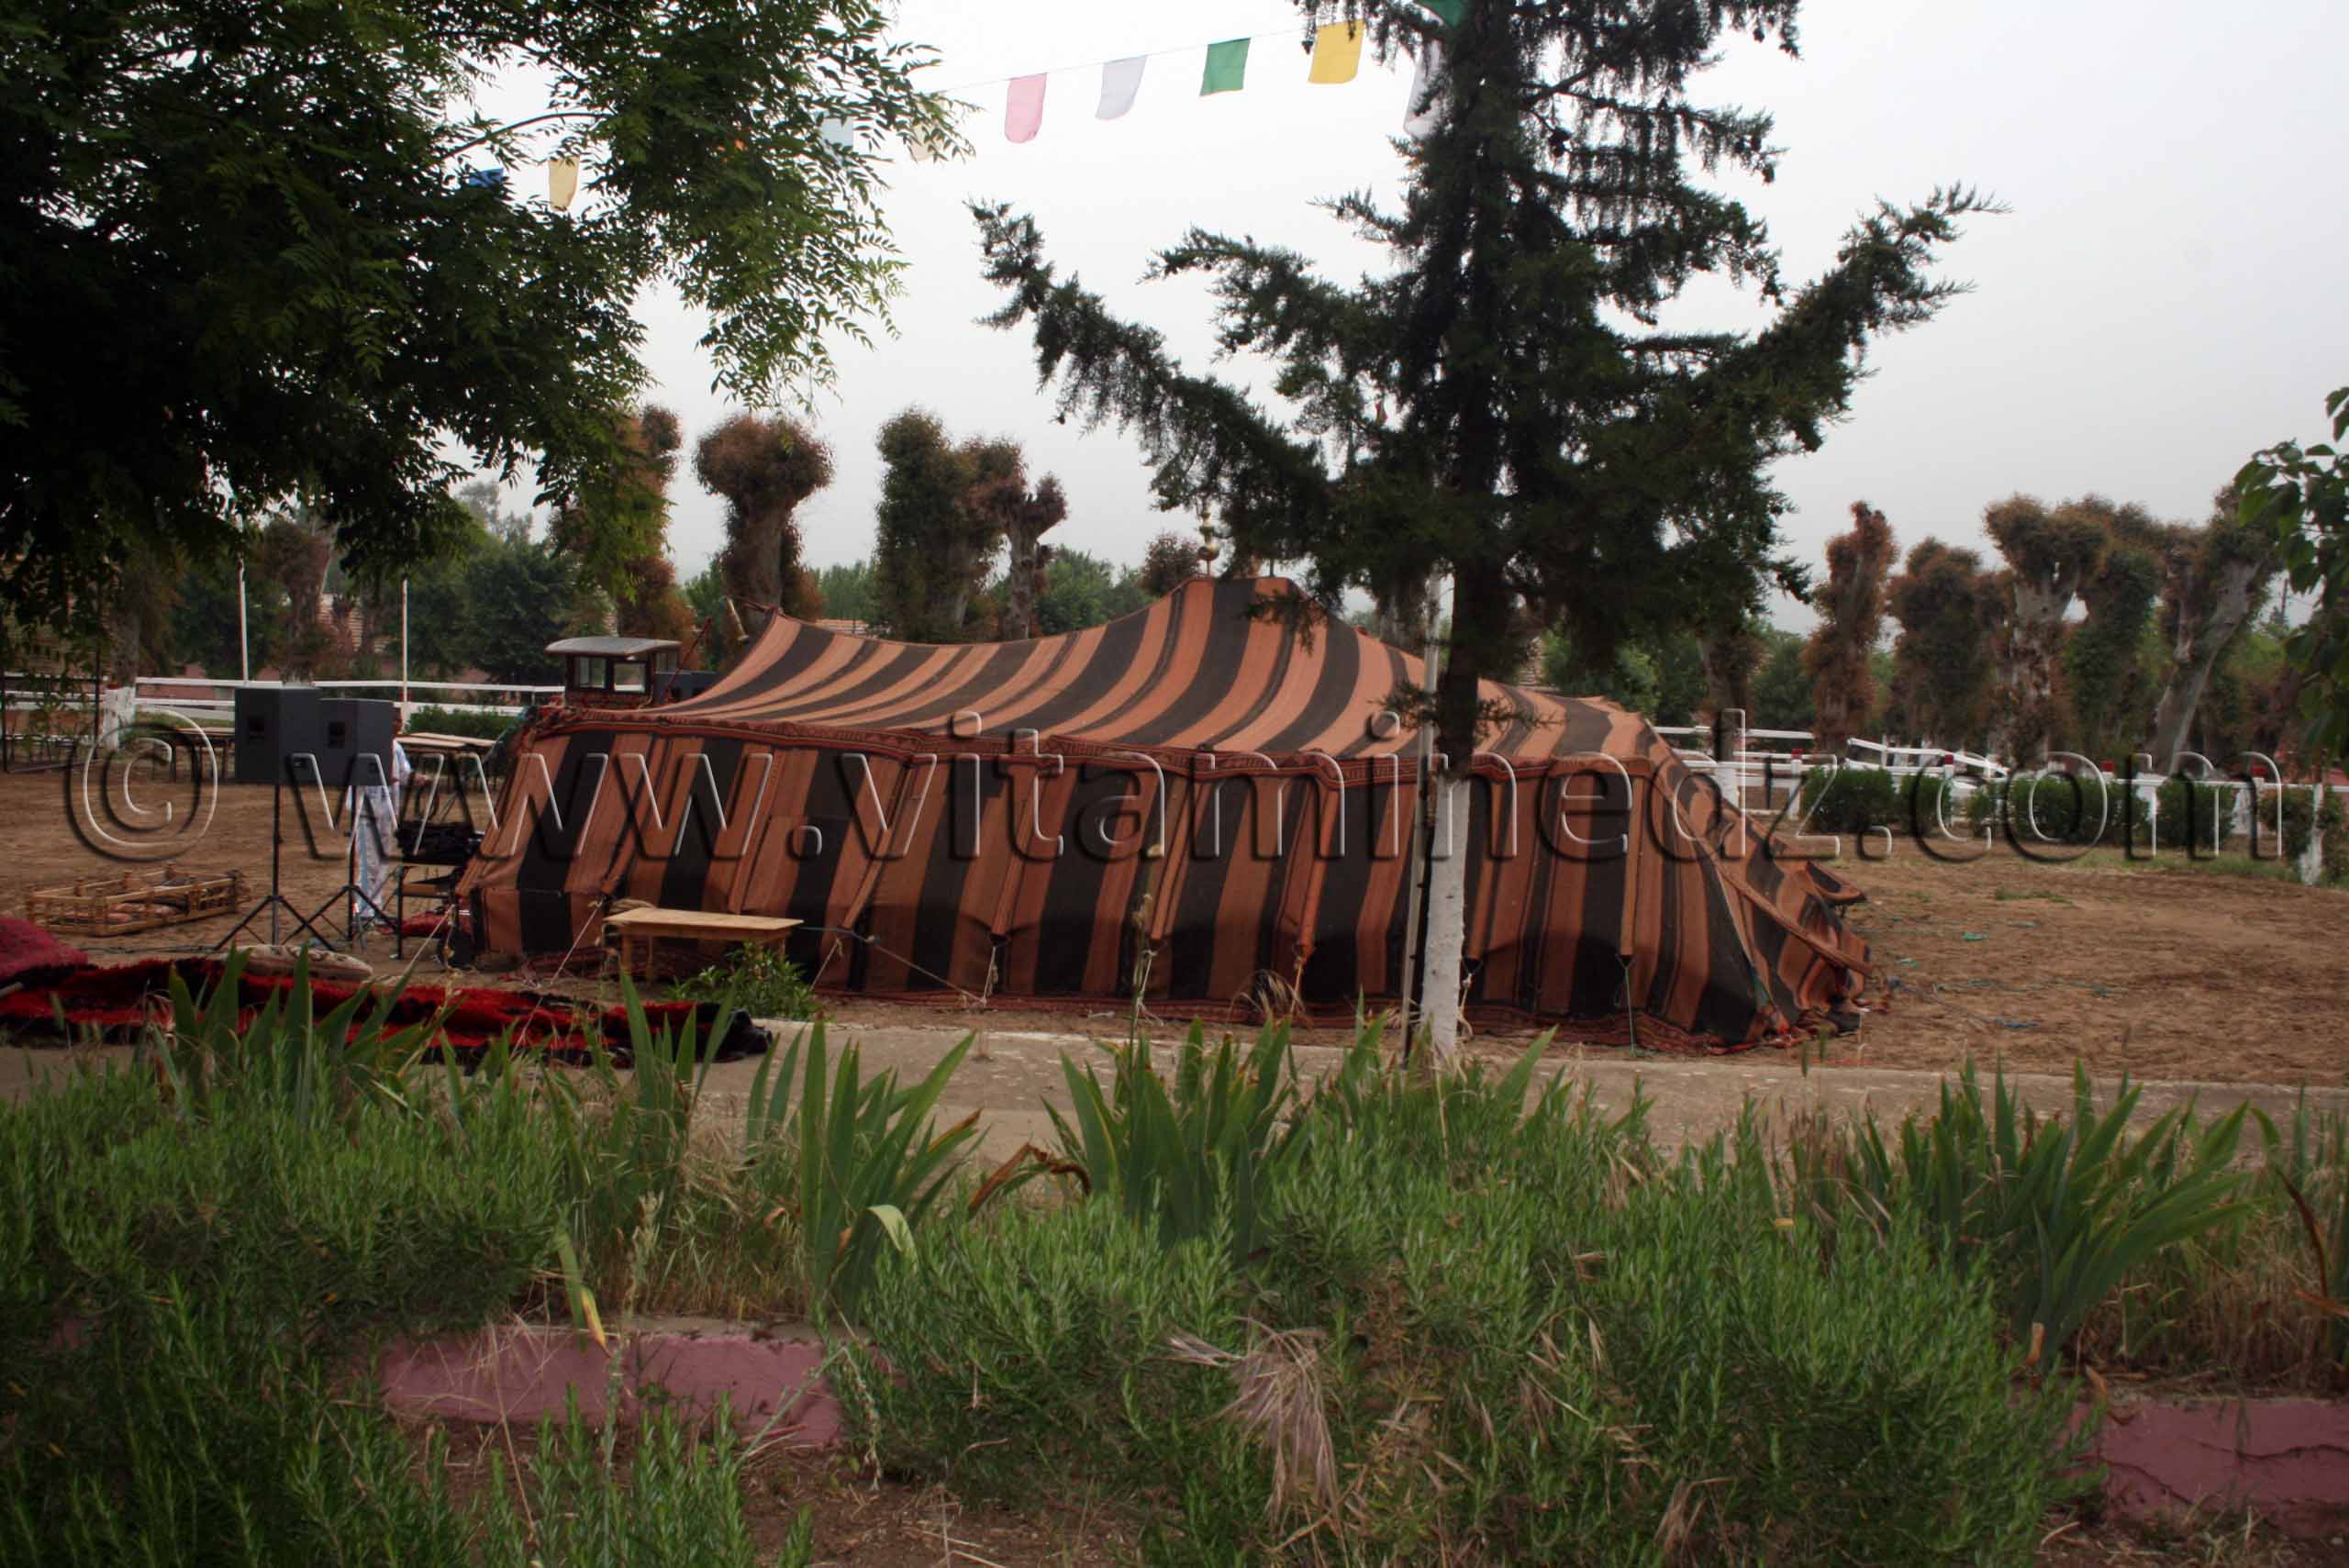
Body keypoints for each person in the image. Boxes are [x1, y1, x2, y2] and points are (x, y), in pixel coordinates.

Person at [347, 718, 413, 931]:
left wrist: (415, 778)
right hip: (367, 813)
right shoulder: (367, 746)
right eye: (394, 721)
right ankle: (361, 911)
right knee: (369, 865)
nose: (398, 726)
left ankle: (375, 909)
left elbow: (404, 774)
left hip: (387, 813)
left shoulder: (396, 748)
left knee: (382, 862)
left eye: (400, 722)